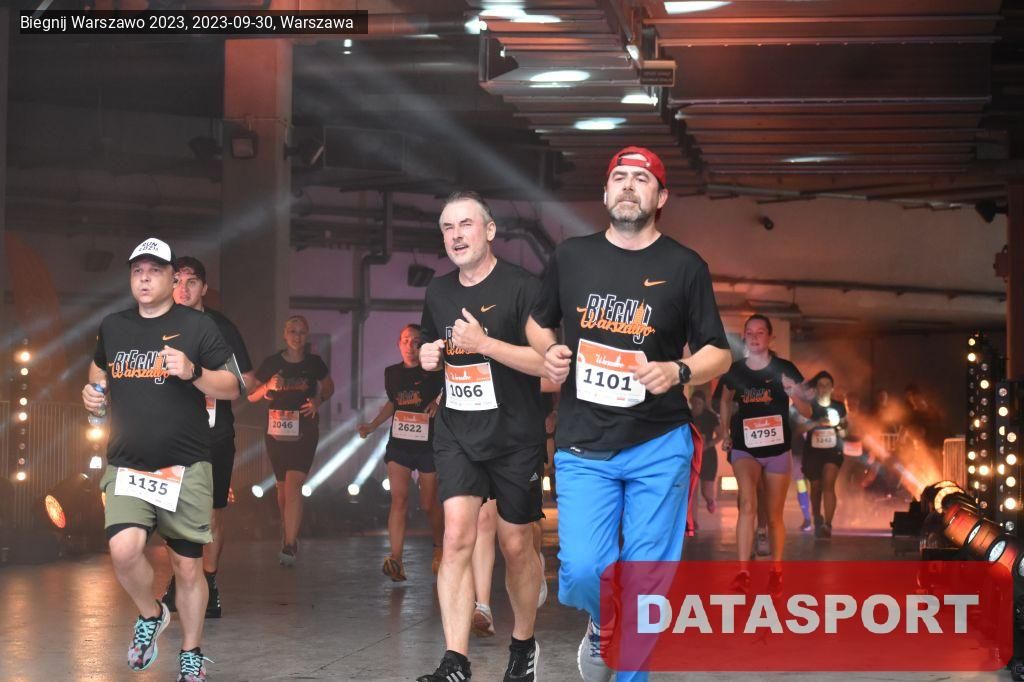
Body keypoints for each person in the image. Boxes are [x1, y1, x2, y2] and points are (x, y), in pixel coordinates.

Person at [527, 146, 732, 682]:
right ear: (605, 192)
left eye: (641, 179)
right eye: (619, 176)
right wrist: (549, 349)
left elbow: (718, 352)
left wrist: (679, 370)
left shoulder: (685, 267)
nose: (627, 185)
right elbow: (537, 321)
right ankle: (603, 620)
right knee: (583, 571)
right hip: (583, 442)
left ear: (661, 198)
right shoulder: (571, 257)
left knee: (645, 580)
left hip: (659, 444)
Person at [82, 237, 239, 682]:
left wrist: (193, 372)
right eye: (138, 271)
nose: (145, 278)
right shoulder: (114, 326)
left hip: (184, 466)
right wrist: (93, 399)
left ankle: (191, 654)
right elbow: (98, 370)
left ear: (173, 279)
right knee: (123, 550)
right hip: (128, 463)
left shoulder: (198, 326)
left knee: (187, 567)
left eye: (155, 271)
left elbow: (232, 386)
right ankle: (151, 614)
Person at [417, 191, 547, 682]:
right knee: (455, 538)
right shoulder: (438, 291)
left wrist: (485, 343)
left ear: (489, 231)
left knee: (515, 545)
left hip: (515, 435)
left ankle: (523, 645)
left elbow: (546, 362)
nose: (456, 235)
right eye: (447, 227)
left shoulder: (524, 287)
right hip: (457, 430)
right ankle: (456, 660)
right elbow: (432, 342)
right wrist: (428, 355)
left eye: (466, 224)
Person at [161, 256, 255, 619]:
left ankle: (209, 582)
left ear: (203, 288)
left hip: (212, 433)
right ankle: (181, 578)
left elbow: (245, 381)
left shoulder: (221, 328)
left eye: (191, 282)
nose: (183, 290)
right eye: (177, 281)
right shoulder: (155, 323)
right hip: (168, 433)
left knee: (210, 512)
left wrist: (203, 377)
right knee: (171, 510)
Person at [719, 314, 809, 593]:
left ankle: (776, 570)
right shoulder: (736, 370)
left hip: (777, 450)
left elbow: (807, 411)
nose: (755, 337)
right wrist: (725, 431)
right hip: (744, 447)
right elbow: (724, 400)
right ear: (744, 337)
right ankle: (743, 572)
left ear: (771, 337)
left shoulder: (785, 368)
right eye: (749, 332)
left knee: (773, 515)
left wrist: (794, 392)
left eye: (760, 332)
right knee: (747, 505)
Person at [358, 323, 444, 580]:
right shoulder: (392, 373)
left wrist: (439, 402)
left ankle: (439, 547)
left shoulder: (435, 370)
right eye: (405, 340)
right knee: (399, 500)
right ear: (398, 344)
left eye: (416, 341)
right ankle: (396, 559)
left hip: (428, 446)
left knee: (428, 504)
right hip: (400, 445)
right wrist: (373, 425)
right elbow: (393, 403)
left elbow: (451, 388)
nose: (410, 346)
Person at [247, 315, 334, 566]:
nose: (297, 336)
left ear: (307, 336)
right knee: (283, 490)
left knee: (294, 485)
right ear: (285, 335)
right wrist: (267, 386)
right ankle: (288, 534)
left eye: (301, 332)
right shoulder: (272, 363)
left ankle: (289, 544)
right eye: (293, 332)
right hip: (276, 431)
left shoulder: (314, 363)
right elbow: (251, 395)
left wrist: (318, 400)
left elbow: (329, 387)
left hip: (305, 429)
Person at [801, 371, 848, 538]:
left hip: (832, 451)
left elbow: (845, 431)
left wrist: (839, 426)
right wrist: (817, 423)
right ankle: (817, 517)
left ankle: (828, 524)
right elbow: (799, 428)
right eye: (821, 385)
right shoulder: (809, 407)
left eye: (827, 385)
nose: (824, 388)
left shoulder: (839, 407)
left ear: (832, 388)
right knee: (815, 488)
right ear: (816, 388)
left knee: (828, 485)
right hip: (812, 452)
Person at [687, 390, 720, 534]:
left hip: (708, 457)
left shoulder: (710, 417)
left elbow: (721, 435)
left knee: (706, 491)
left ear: (703, 404)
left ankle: (710, 500)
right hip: (691, 457)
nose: (696, 406)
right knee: (692, 490)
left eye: (699, 403)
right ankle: (694, 522)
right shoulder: (687, 416)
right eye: (693, 403)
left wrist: (708, 445)